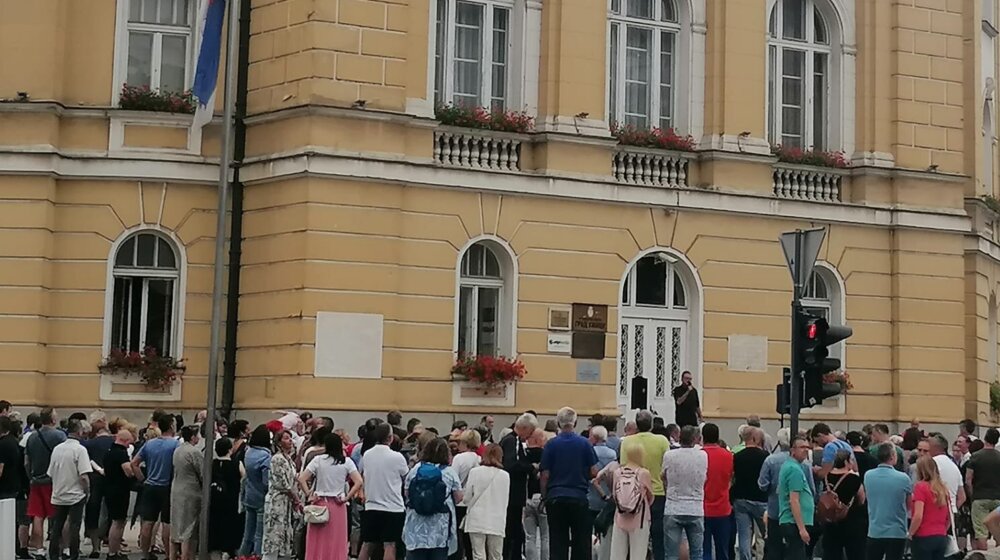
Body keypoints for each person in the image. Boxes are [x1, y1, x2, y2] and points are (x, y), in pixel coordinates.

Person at [539, 407, 598, 560]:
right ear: (575, 422)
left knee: (557, 541)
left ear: (558, 423)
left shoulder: (551, 444)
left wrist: (544, 497)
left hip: (556, 496)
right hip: (578, 497)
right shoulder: (585, 444)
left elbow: (545, 474)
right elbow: (593, 471)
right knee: (581, 542)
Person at [298, 432, 363, 560]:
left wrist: (308, 494)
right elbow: (359, 481)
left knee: (317, 539)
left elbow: (301, 478)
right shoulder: (346, 462)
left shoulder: (318, 460)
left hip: (320, 503)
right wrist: (347, 497)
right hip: (338, 505)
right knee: (336, 539)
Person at [619, 410, 670, 560]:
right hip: (657, 492)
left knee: (634, 534)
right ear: (652, 424)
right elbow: (665, 467)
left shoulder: (627, 441)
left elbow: (623, 467)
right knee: (658, 535)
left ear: (636, 424)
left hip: (633, 494)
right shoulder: (662, 441)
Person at [403, 437, 463, 560]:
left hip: (416, 525)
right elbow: (459, 497)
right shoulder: (449, 472)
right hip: (440, 526)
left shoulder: (416, 469)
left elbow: (407, 493)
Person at [132, 413, 179, 560]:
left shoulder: (149, 444)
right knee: (167, 523)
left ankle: (145, 554)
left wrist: (143, 479)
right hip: (167, 486)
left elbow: (134, 463)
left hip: (150, 486)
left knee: (147, 523)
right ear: (171, 426)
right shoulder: (175, 444)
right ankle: (168, 555)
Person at [359, 423, 409, 560]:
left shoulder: (367, 455)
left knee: (367, 544)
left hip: (371, 505)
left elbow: (362, 474)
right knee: (390, 545)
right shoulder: (397, 457)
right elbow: (407, 478)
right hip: (393, 507)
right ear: (390, 438)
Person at [47, 418, 93, 560]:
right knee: (74, 526)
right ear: (80, 431)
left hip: (59, 493)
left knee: (57, 526)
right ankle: (74, 554)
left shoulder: (57, 449)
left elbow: (50, 472)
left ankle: (53, 553)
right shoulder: (80, 450)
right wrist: (87, 491)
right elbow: (83, 475)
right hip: (75, 494)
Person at [24, 407, 66, 555]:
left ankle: (39, 549)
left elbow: (27, 461)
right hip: (55, 481)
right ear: (53, 419)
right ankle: (59, 548)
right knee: (58, 516)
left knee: (38, 515)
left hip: (36, 481)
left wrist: (31, 477)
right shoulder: (60, 436)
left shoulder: (32, 437)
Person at [662, 425, 706, 560]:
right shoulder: (702, 455)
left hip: (673, 506)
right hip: (695, 507)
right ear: (695, 439)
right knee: (697, 553)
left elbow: (663, 476)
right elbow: (704, 477)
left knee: (671, 554)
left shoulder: (669, 455)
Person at [601, 443, 652, 560]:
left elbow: (614, 494)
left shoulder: (618, 472)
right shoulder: (644, 473)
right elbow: (650, 497)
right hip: (640, 519)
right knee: (638, 554)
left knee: (617, 554)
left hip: (620, 517)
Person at [500, 413, 540, 560]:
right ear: (523, 428)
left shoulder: (510, 440)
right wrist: (531, 467)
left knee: (515, 529)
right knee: (513, 529)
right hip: (513, 493)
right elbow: (512, 464)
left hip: (513, 493)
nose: (529, 436)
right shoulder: (513, 441)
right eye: (530, 432)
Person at [864, 442, 912, 560]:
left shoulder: (868, 475)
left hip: (875, 529)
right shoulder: (903, 478)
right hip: (897, 531)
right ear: (892, 456)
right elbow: (909, 504)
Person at [463, 444, 510, 560]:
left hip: (476, 519)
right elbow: (506, 501)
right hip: (497, 519)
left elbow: (467, 498)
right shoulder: (505, 476)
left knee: (478, 554)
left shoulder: (475, 472)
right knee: (496, 555)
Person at [262, 429, 302, 560]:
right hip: (277, 501)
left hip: (287, 502)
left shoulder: (288, 459)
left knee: (285, 535)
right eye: (286, 438)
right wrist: (296, 498)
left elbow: (294, 478)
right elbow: (283, 484)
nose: (290, 440)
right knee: (274, 535)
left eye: (290, 438)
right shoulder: (277, 459)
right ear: (279, 442)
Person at [820, 450, 866, 560]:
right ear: (846, 461)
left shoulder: (827, 477)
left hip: (831, 521)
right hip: (851, 522)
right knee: (855, 554)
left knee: (832, 553)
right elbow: (862, 499)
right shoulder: (854, 478)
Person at [698, 423, 733, 560]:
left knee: (704, 549)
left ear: (703, 437)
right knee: (722, 550)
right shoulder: (728, 455)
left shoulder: (699, 455)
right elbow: (730, 477)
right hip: (722, 507)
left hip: (702, 507)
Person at [732, 427, 768, 560]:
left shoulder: (737, 456)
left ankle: (745, 558)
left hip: (741, 498)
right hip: (760, 498)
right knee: (766, 533)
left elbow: (733, 477)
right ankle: (764, 556)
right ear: (755, 439)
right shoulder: (765, 456)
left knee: (744, 535)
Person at [82, 417, 115, 558]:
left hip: (94, 480)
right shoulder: (114, 442)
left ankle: (96, 548)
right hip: (112, 480)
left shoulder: (89, 444)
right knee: (112, 514)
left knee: (93, 513)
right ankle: (113, 548)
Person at [777, 436, 814, 560]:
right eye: (802, 447)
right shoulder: (794, 470)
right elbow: (794, 500)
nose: (805, 450)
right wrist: (802, 529)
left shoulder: (790, 466)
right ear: (793, 450)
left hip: (792, 521)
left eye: (807, 447)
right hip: (794, 522)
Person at [908, 456, 952, 560]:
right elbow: (949, 516)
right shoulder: (943, 488)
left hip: (923, 536)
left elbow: (918, 515)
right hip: (941, 536)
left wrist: (910, 533)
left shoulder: (921, 487)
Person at [102, 425, 135, 560]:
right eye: (129, 443)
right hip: (119, 491)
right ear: (125, 440)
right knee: (118, 522)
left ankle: (115, 551)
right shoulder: (120, 453)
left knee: (116, 521)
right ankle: (113, 553)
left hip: (109, 488)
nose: (129, 446)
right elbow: (128, 470)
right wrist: (134, 473)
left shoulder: (109, 452)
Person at [170, 424, 203, 560]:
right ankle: (186, 557)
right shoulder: (194, 452)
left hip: (177, 489)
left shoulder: (177, 450)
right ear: (193, 437)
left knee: (176, 525)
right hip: (191, 491)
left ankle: (172, 556)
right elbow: (203, 473)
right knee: (189, 528)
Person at [964, 427, 1000, 551]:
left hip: (980, 497)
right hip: (998, 497)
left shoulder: (975, 456)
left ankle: (983, 555)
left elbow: (968, 479)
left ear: (985, 438)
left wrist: (972, 494)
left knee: (981, 532)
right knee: (998, 530)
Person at [209, 437, 244, 558]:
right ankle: (228, 550)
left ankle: (215, 550)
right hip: (232, 501)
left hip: (215, 501)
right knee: (229, 527)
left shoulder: (212, 464)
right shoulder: (236, 464)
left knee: (215, 525)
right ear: (230, 449)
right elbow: (244, 479)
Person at [241, 425, 273, 557]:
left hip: (249, 495)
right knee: (260, 534)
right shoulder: (265, 456)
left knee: (248, 532)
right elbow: (266, 481)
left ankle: (242, 555)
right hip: (261, 497)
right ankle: (257, 556)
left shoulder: (248, 452)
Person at [587, 426, 617, 560]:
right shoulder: (612, 454)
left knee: (588, 533)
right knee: (605, 533)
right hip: (608, 498)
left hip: (591, 497)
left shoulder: (590, 451)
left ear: (594, 437)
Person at [522, 428, 548, 560]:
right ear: (539, 440)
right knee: (545, 536)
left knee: (529, 536)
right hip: (541, 497)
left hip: (526, 497)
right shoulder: (545, 454)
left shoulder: (523, 455)